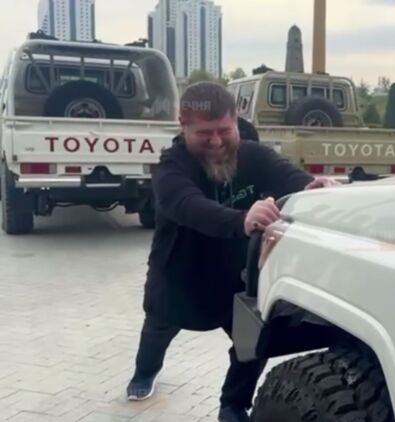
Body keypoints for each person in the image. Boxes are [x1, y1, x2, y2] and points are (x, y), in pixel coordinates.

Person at [126, 81, 336, 422]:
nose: (216, 141)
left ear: (236, 121)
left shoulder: (254, 155)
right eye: (204, 133)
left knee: (252, 345)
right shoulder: (171, 167)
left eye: (224, 130)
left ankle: (233, 405)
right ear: (183, 125)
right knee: (156, 333)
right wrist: (242, 219)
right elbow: (187, 205)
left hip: (235, 275)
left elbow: (289, 177)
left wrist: (314, 187)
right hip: (179, 275)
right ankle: (144, 372)